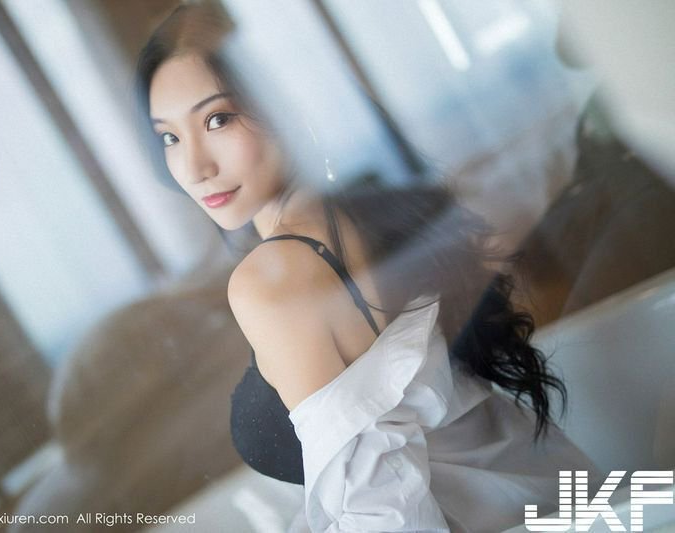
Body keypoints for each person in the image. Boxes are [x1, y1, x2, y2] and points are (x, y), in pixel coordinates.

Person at [135, 4, 601, 531]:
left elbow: (382, 514)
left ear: (285, 106)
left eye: (217, 119)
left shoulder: (272, 279)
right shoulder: (363, 218)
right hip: (546, 499)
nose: (194, 167)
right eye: (169, 137)